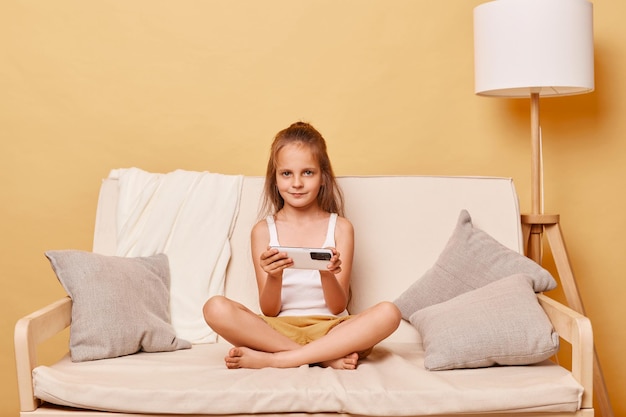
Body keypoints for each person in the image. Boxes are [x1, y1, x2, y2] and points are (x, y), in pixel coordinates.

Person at [203, 121, 401, 370]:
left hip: (333, 329)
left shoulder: (341, 227)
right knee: (215, 308)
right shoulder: (263, 231)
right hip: (278, 331)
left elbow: (338, 306)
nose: (296, 183)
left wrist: (327, 274)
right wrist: (274, 277)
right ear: (275, 179)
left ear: (323, 178)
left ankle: (279, 359)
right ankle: (321, 357)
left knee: (389, 313)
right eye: (287, 173)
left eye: (307, 172)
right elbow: (270, 310)